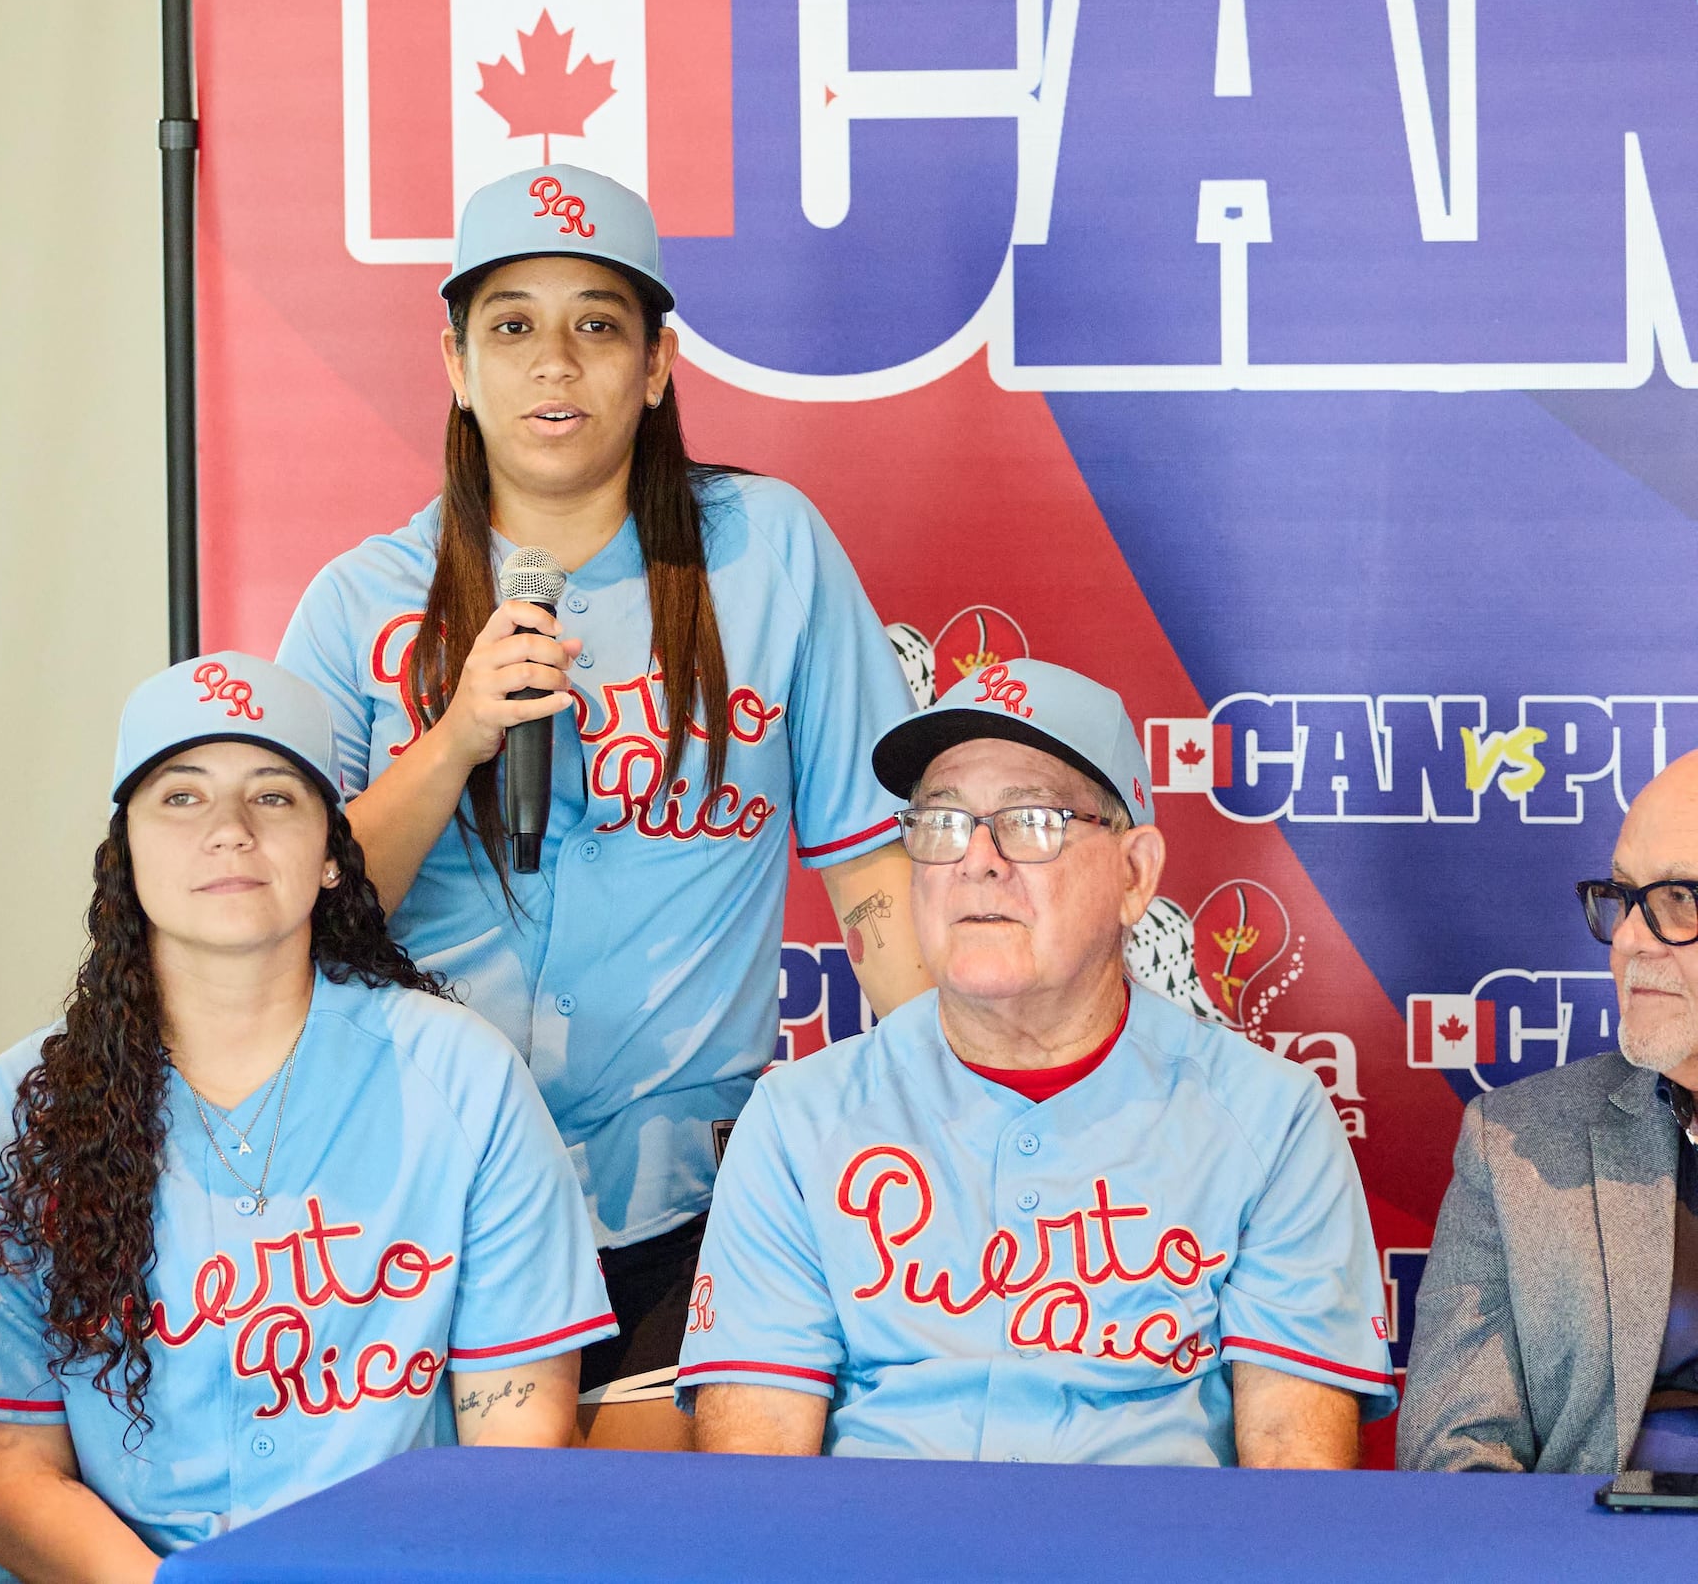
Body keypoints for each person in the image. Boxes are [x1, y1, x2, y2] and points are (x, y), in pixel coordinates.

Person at [277, 163, 925, 1444]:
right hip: (425, 1194)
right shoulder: (361, 600)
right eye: (510, 326)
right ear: (456, 363)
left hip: (688, 1202)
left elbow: (873, 883)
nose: (554, 364)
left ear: (658, 363)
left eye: (597, 324)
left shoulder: (768, 552)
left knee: (655, 1541)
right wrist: (458, 735)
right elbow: (298, 911)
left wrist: (938, 1128)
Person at [0, 653, 613, 1581]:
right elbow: (4, 1466)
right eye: (181, 797)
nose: (230, 833)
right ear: (123, 851)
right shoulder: (17, 1115)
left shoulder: (463, 1079)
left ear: (333, 852)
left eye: (274, 797)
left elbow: (517, 1436)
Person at [678, 658, 1395, 1466]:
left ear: (1134, 873)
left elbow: (1293, 1485)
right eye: (942, 821)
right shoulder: (797, 1121)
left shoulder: (1272, 1117)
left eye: (1031, 820)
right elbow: (757, 1476)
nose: (977, 859)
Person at [1400, 751, 1698, 1473]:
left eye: (1681, 899)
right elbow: (1452, 1453)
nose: (1629, 938)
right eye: (1623, 896)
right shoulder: (1515, 1144)